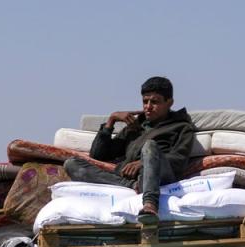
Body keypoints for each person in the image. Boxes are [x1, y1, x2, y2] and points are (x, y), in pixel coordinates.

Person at [63, 76, 196, 225]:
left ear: (169, 102)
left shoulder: (182, 127)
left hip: (160, 174)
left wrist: (143, 162)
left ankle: (150, 204)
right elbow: (98, 155)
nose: (148, 107)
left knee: (150, 145)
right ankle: (134, 187)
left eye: (155, 102)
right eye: (145, 102)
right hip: (128, 178)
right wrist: (111, 120)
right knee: (72, 164)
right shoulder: (136, 126)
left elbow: (179, 159)